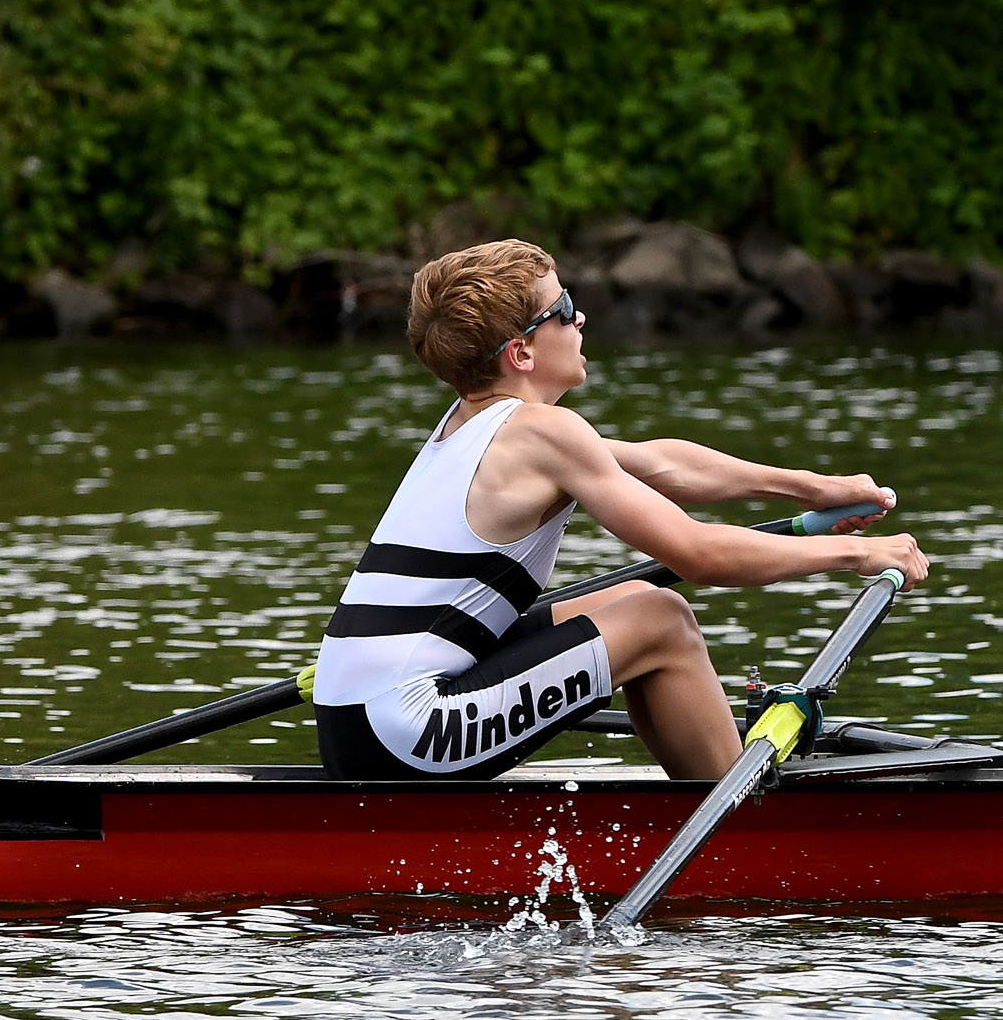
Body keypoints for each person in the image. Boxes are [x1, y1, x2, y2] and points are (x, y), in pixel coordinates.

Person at [312, 238, 929, 782]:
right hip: (406, 731)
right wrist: (860, 552)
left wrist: (812, 488)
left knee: (622, 607)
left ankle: (710, 783)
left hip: (354, 722)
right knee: (660, 616)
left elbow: (665, 465)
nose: (580, 318)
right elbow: (699, 554)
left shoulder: (469, 424)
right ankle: (745, 832)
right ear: (521, 353)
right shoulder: (542, 433)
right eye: (562, 309)